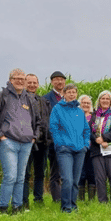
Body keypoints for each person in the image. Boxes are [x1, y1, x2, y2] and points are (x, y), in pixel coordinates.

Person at [0, 68, 39, 215]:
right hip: (8, 141)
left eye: (22, 78)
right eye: (16, 78)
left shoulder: (29, 98)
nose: (20, 81)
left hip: (26, 143)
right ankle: (3, 206)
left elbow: (37, 120)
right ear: (10, 80)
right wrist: (0, 135)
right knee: (10, 176)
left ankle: (17, 206)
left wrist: (34, 136)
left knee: (20, 177)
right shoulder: (2, 95)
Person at [49, 83, 91, 213]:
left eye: (74, 92)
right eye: (69, 92)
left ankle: (73, 205)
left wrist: (85, 145)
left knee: (75, 180)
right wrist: (59, 143)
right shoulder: (57, 109)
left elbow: (86, 129)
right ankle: (66, 207)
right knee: (67, 179)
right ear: (64, 94)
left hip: (80, 150)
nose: (72, 94)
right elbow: (53, 127)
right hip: (65, 149)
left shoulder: (79, 111)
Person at [89, 90, 111, 203]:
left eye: (107, 99)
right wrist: (97, 140)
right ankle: (102, 201)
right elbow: (89, 132)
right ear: (99, 101)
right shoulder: (94, 116)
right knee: (100, 178)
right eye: (102, 98)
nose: (105, 101)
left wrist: (104, 138)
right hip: (97, 150)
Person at [23, 73, 51, 209]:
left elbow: (47, 121)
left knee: (40, 172)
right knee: (26, 173)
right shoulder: (20, 100)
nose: (32, 85)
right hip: (27, 141)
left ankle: (39, 199)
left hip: (43, 142)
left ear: (38, 85)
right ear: (24, 83)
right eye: (29, 82)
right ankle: (24, 201)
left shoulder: (44, 101)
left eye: (35, 83)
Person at [44, 71, 66, 202]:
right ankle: (57, 199)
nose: (59, 82)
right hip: (54, 141)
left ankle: (67, 196)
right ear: (52, 82)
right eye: (56, 80)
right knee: (55, 171)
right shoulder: (46, 99)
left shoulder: (70, 97)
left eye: (62, 80)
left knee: (67, 171)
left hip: (70, 141)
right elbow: (45, 120)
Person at [77, 94, 96, 201]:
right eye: (84, 102)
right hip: (79, 148)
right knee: (81, 172)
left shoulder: (94, 117)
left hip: (92, 149)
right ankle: (81, 198)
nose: (86, 104)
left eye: (88, 103)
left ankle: (92, 199)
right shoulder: (76, 116)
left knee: (91, 172)